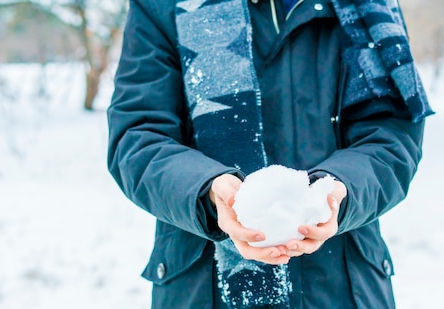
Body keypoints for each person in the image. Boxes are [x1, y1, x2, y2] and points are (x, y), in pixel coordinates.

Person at [107, 0, 432, 308]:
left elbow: (390, 134)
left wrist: (339, 190)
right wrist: (207, 189)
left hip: (340, 287)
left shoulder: (367, 7)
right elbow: (138, 136)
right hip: (202, 289)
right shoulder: (161, 5)